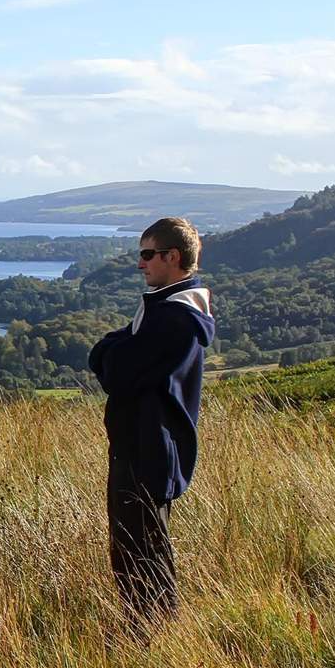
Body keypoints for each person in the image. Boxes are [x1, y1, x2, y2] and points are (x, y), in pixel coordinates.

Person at [87, 217, 214, 624]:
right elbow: (110, 352)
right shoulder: (162, 310)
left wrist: (110, 351)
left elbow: (117, 369)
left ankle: (151, 631)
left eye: (146, 254)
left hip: (150, 448)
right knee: (132, 544)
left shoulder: (175, 319)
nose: (140, 264)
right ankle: (145, 626)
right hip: (140, 445)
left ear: (172, 257)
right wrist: (111, 350)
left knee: (141, 547)